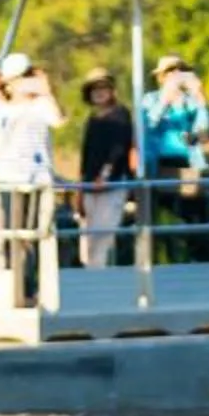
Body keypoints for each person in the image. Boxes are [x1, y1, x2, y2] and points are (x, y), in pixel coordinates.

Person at [0, 53, 61, 280]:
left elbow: (58, 120)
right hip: (9, 178)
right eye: (18, 78)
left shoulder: (41, 105)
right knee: (16, 233)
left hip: (38, 178)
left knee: (38, 231)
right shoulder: (2, 110)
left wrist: (46, 91)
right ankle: (21, 283)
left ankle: (36, 282)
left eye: (27, 76)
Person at [137, 54, 209, 262]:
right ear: (160, 78)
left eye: (179, 70)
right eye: (169, 72)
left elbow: (205, 129)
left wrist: (200, 96)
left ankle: (193, 261)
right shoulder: (150, 99)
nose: (174, 76)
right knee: (162, 223)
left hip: (189, 167)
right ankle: (162, 262)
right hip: (160, 168)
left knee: (193, 223)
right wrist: (165, 101)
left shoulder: (192, 101)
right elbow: (147, 125)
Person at [73, 68, 137, 268]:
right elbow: (86, 156)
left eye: (103, 87)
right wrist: (80, 188)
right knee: (89, 233)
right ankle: (91, 274)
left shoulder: (120, 114)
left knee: (104, 234)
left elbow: (119, 149)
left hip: (112, 183)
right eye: (94, 89)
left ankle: (102, 277)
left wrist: (105, 175)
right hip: (90, 184)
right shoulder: (92, 119)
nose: (99, 92)